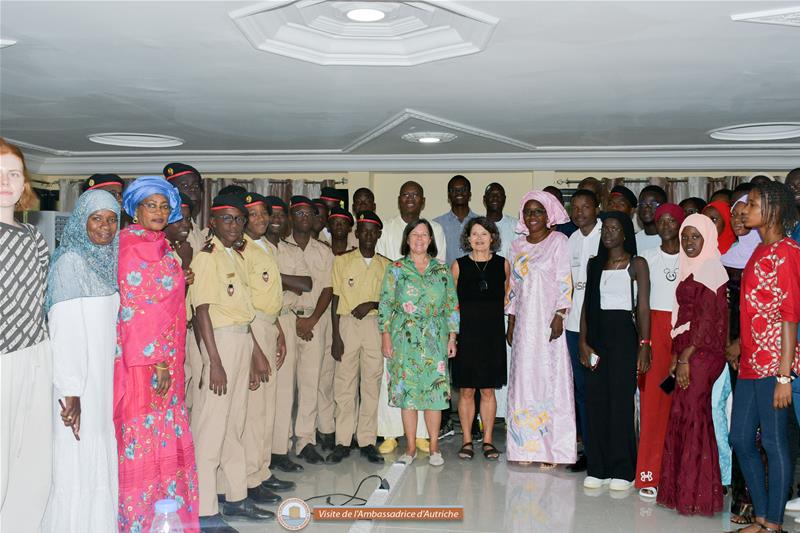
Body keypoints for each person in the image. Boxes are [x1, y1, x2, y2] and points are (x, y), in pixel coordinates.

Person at [115, 176, 199, 532]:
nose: (160, 212)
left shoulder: (160, 245)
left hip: (167, 359)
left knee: (164, 435)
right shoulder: (132, 247)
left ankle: (166, 515)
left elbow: (163, 298)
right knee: (145, 438)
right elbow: (137, 309)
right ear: (135, 209)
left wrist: (181, 278)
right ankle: (141, 519)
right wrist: (159, 361)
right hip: (146, 363)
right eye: (151, 205)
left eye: (165, 206)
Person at [190, 193, 273, 530]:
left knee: (235, 424)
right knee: (210, 429)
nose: (235, 225)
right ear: (213, 222)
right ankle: (205, 510)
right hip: (220, 344)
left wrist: (254, 356)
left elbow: (245, 312)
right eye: (227, 219)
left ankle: (235, 497)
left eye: (239, 219)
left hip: (240, 338)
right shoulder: (206, 258)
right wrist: (215, 362)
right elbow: (202, 313)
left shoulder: (236, 257)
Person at [41, 190, 120, 532]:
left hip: (101, 380)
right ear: (81, 221)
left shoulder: (107, 260)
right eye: (97, 218)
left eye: (112, 219)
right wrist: (71, 390)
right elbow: (65, 331)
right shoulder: (70, 262)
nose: (106, 227)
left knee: (96, 454)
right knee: (76, 459)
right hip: (76, 386)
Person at [729, 181, 800, 533]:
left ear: (772, 210)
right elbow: (755, 307)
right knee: (740, 439)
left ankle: (773, 523)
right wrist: (742, 341)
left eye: (753, 204)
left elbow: (789, 315)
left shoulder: (787, 252)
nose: (745, 209)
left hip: (774, 363)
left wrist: (785, 376)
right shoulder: (759, 250)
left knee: (773, 442)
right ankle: (759, 515)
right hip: (750, 363)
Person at [657, 214, 729, 516]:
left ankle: (697, 496)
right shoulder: (691, 268)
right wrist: (676, 355)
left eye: (694, 237)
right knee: (682, 413)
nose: (688, 242)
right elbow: (683, 318)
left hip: (702, 353)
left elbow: (707, 320)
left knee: (695, 416)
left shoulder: (712, 268)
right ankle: (682, 492)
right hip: (687, 352)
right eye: (685, 236)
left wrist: (686, 357)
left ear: (708, 238)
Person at [0, 139, 52, 532]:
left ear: (24, 185)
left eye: (13, 174)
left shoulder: (33, 237)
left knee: (32, 459)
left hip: (35, 353)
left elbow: (41, 298)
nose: (6, 182)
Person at [579, 211, 651, 491]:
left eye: (613, 228)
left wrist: (645, 345)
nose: (607, 233)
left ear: (625, 233)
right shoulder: (594, 264)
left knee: (620, 403)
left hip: (624, 336)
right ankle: (598, 467)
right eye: (604, 228)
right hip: (596, 336)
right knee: (596, 402)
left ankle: (623, 469)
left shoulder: (637, 263)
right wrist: (583, 342)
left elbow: (643, 307)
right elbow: (586, 305)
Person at [378, 220, 459, 466]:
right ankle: (411, 447)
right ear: (407, 239)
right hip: (404, 339)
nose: (419, 239)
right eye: (414, 235)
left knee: (434, 395)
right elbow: (385, 303)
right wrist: (385, 334)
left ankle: (434, 447)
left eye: (424, 234)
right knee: (408, 394)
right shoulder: (396, 269)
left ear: (431, 240)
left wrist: (452, 336)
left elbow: (451, 305)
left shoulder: (442, 271)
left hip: (435, 339)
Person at [506, 192, 575, 468]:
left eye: (538, 212)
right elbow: (513, 287)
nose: (533, 217)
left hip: (548, 322)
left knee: (549, 381)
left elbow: (564, 280)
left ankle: (551, 451)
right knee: (523, 382)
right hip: (524, 324)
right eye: (528, 212)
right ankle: (525, 448)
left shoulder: (559, 242)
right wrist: (510, 322)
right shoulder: (516, 245)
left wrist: (560, 314)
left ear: (549, 216)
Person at [375, 181, 444, 453]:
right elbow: (386, 291)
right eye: (406, 195)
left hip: (430, 330)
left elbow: (443, 286)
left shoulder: (436, 229)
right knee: (395, 382)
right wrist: (386, 331)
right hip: (399, 326)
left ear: (423, 200)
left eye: (415, 195)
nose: (410, 199)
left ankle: (423, 437)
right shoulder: (388, 229)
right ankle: (390, 432)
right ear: (399, 199)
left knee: (429, 383)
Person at [240, 193, 294, 507]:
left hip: (269, 324)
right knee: (254, 411)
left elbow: (271, 295)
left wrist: (279, 332)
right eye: (254, 214)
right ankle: (249, 477)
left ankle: (261, 470)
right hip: (253, 327)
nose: (260, 219)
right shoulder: (241, 250)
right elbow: (244, 303)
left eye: (264, 214)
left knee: (267, 408)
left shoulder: (267, 247)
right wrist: (255, 348)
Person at [327, 211, 390, 465]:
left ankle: (366, 440)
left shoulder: (386, 265)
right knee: (344, 384)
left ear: (378, 235)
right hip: (347, 325)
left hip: (375, 325)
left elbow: (391, 300)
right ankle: (342, 441)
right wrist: (335, 335)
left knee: (371, 384)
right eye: (362, 231)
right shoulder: (342, 261)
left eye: (371, 231)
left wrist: (372, 303)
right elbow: (335, 298)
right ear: (357, 234)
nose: (367, 236)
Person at [634, 203, 683, 499]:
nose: (666, 224)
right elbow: (640, 306)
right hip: (655, 330)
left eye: (671, 220)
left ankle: (676, 472)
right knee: (653, 405)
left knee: (681, 407)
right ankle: (648, 474)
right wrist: (645, 343)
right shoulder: (647, 259)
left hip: (685, 334)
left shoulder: (693, 257)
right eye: (661, 219)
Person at [451, 217, 508, 461]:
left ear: (492, 237)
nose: (479, 238)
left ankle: (487, 441)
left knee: (487, 391)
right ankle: (466, 440)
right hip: (467, 336)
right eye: (474, 234)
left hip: (492, 337)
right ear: (468, 239)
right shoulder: (458, 266)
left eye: (484, 234)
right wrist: (452, 337)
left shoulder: (503, 265)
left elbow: (508, 298)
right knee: (466, 391)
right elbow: (451, 305)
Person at [263, 196, 311, 475]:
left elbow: (305, 283)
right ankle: (260, 452)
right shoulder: (251, 248)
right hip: (259, 320)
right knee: (260, 392)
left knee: (284, 392)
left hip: (286, 320)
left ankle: (279, 450)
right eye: (273, 215)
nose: (277, 220)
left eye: (282, 216)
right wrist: (284, 280)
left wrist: (270, 276)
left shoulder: (291, 251)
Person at [285, 196, 334, 465]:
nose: (304, 218)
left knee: (310, 382)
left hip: (315, 320)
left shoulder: (323, 251)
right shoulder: (279, 249)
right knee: (284, 387)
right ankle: (280, 442)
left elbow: (328, 289)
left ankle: (305, 440)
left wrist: (311, 319)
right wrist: (295, 320)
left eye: (309, 214)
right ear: (292, 217)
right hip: (286, 320)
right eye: (299, 213)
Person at [564, 189, 602, 473]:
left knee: (600, 391)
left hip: (600, 330)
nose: (579, 212)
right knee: (580, 392)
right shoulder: (571, 240)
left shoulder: (607, 234)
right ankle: (587, 449)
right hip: (573, 327)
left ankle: (603, 449)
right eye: (574, 207)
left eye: (585, 207)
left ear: (596, 208)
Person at [483, 182, 517, 439]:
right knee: (484, 370)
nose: (495, 198)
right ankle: (484, 421)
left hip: (509, 307)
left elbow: (517, 269)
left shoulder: (516, 226)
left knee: (507, 364)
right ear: (484, 199)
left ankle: (507, 417)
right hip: (482, 311)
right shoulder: (477, 227)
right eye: (491, 195)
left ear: (504, 198)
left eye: (499, 194)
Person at [434, 175, 479, 267]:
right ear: (448, 195)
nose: (459, 193)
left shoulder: (481, 223)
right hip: (446, 279)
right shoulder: (436, 225)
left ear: (470, 194)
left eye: (463, 189)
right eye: (454, 190)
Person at [163, 163, 206, 252]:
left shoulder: (194, 227)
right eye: (185, 186)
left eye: (196, 186)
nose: (193, 190)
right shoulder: (162, 225)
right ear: (171, 191)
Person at [635, 185, 667, 252]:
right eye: (642, 204)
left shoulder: (671, 239)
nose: (647, 208)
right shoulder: (634, 240)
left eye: (653, 204)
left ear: (664, 207)